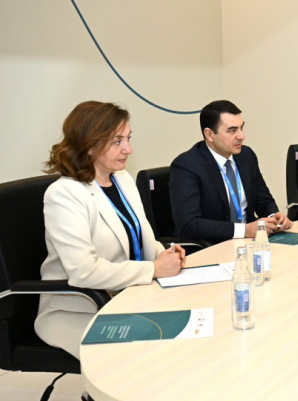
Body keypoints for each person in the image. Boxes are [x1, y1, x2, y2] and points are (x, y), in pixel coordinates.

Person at [36, 101, 186, 359]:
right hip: (79, 309)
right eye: (117, 141)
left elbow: (136, 233)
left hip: (128, 295)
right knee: (147, 354)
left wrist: (165, 253)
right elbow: (83, 272)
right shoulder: (64, 194)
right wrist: (153, 269)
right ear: (89, 143)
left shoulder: (123, 179)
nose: (128, 149)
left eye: (127, 138)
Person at [170, 100, 292, 243]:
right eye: (232, 130)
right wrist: (245, 230)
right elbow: (189, 225)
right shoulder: (187, 166)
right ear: (209, 135)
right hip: (213, 246)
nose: (241, 136)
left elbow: (263, 200)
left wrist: (275, 217)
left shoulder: (246, 156)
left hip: (251, 243)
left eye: (241, 128)